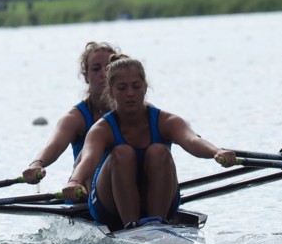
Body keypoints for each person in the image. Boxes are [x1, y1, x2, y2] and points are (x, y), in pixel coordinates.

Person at [62, 54, 236, 230]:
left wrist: (217, 151)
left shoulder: (167, 121)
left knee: (159, 151)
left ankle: (156, 223)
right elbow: (89, 159)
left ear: (145, 87)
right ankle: (131, 226)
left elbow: (191, 140)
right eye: (122, 88)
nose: (130, 93)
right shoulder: (102, 129)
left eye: (136, 86)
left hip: (158, 202)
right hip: (109, 206)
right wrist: (75, 180)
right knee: (123, 153)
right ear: (111, 91)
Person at [22, 41, 119, 185]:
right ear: (86, 76)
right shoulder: (75, 118)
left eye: (109, 68)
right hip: (85, 193)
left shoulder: (135, 110)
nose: (103, 73)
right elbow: (54, 146)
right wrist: (36, 164)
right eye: (96, 69)